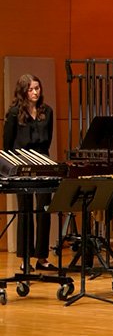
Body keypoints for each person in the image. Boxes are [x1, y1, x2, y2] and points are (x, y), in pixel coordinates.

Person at [3, 74, 55, 270]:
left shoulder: (47, 112)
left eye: (38, 88)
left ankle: (42, 257)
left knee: (44, 209)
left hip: (42, 164)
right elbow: (7, 145)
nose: (35, 92)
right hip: (20, 166)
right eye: (31, 89)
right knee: (25, 211)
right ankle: (25, 259)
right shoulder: (14, 113)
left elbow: (48, 140)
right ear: (24, 91)